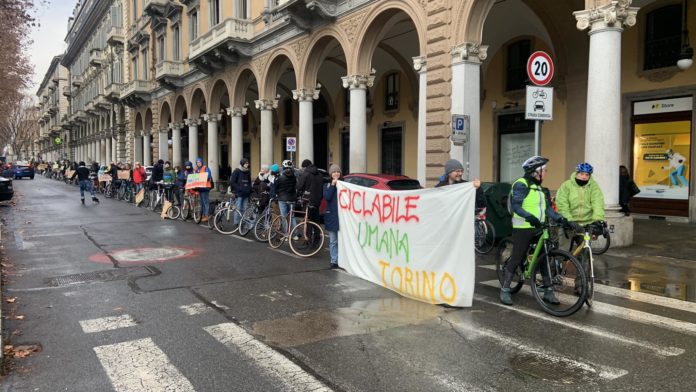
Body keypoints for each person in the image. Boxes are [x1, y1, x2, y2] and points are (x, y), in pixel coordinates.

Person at [501, 155, 579, 306]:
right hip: (523, 228)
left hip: (540, 228)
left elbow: (548, 209)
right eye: (544, 170)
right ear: (535, 172)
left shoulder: (542, 189)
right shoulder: (521, 184)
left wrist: (562, 220)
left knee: (543, 259)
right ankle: (505, 289)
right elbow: (516, 206)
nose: (546, 172)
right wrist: (529, 217)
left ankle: (548, 291)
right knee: (516, 258)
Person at [555, 162, 605, 227]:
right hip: (569, 222)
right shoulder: (566, 185)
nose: (584, 177)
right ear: (577, 174)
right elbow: (562, 204)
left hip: (588, 222)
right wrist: (569, 220)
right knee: (564, 236)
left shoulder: (593, 186)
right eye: (582, 174)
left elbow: (597, 203)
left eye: (587, 175)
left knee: (589, 236)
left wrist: (598, 219)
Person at [323, 164, 342, 269]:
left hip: (343, 217)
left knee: (344, 241)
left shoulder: (344, 184)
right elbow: (327, 197)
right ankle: (334, 260)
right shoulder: (327, 185)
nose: (336, 174)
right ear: (331, 174)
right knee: (333, 241)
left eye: (337, 172)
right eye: (334, 172)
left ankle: (343, 260)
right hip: (332, 216)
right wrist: (333, 185)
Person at [273, 160, 298, 234]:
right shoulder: (294, 176)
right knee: (292, 216)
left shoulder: (280, 177)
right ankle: (295, 234)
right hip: (292, 199)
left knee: (284, 217)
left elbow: (276, 187)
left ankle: (286, 234)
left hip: (282, 198)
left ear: (283, 166)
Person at [230, 158, 252, 225]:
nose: (247, 165)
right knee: (238, 208)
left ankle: (242, 221)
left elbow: (249, 182)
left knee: (244, 208)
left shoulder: (248, 171)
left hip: (246, 193)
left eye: (247, 163)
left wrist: (249, 189)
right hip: (239, 193)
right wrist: (239, 188)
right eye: (246, 163)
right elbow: (232, 182)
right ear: (242, 164)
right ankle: (236, 222)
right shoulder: (237, 171)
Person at [195, 157, 213, 222]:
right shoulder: (197, 169)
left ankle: (206, 215)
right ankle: (203, 215)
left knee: (205, 202)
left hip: (205, 187)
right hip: (200, 188)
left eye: (199, 162)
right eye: (197, 163)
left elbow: (208, 176)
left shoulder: (206, 168)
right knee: (202, 202)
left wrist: (200, 177)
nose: (198, 164)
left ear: (202, 162)